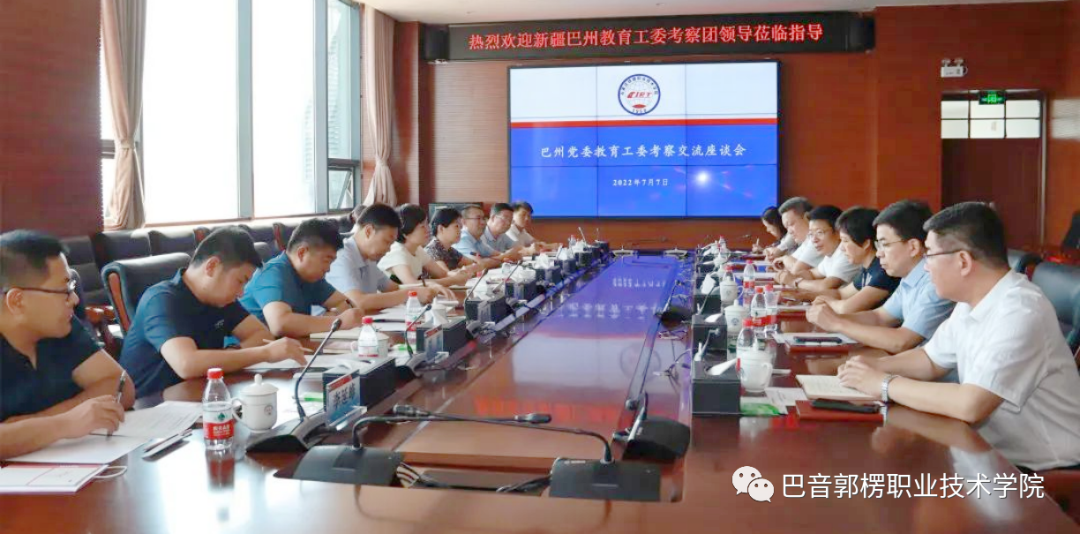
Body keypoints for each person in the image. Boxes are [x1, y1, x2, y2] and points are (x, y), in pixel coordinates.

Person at [839, 202, 1080, 471]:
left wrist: (884, 383)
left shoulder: (1020, 311)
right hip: (984, 451)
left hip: (1036, 467)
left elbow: (970, 405)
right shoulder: (971, 300)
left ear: (963, 261)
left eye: (930, 255)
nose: (926, 268)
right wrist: (872, 367)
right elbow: (930, 360)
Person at [120, 227, 307, 397]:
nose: (241, 293)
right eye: (240, 281)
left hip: (200, 395)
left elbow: (261, 335)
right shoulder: (161, 299)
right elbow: (187, 364)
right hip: (151, 405)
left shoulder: (221, 300)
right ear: (211, 267)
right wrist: (265, 353)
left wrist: (229, 354)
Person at [0, 230, 134, 459]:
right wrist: (63, 424)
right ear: (18, 301)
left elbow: (120, 385)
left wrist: (29, 428)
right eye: (64, 291)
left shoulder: (61, 327)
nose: (75, 299)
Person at [807, 200, 954, 354]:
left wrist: (838, 323)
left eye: (885, 245)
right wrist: (832, 318)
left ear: (913, 247)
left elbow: (902, 341)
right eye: (879, 245)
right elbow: (879, 317)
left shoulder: (934, 281)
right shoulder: (908, 276)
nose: (879, 253)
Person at [240, 218, 366, 338]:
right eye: (326, 260)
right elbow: (280, 324)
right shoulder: (272, 274)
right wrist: (338, 321)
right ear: (302, 253)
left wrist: (332, 316)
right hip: (246, 350)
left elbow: (346, 304)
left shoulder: (311, 277)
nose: (328, 269)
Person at [327, 203, 451, 311]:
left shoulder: (368, 257)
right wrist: (412, 293)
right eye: (386, 242)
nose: (388, 250)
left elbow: (393, 288)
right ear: (368, 231)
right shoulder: (341, 256)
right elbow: (358, 301)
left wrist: (427, 287)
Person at [809, 207, 900, 314]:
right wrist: (802, 295)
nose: (841, 248)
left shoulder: (883, 270)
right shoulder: (867, 267)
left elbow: (846, 308)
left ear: (865, 243)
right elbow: (841, 294)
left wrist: (826, 301)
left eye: (845, 241)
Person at [378, 203, 478, 286]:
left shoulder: (418, 249)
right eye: (422, 227)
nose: (428, 229)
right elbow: (412, 284)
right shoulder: (396, 252)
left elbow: (442, 274)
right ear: (405, 232)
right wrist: (453, 280)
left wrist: (459, 274)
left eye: (427, 224)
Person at [776, 205, 861, 291]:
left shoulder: (846, 253)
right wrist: (788, 276)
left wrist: (794, 281)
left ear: (838, 232)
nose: (814, 240)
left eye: (819, 232)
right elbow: (812, 274)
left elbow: (825, 286)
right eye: (811, 234)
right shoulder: (830, 254)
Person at [453, 205, 518, 267]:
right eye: (478, 218)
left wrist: (505, 256)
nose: (483, 222)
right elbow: (479, 264)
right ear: (464, 222)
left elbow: (497, 254)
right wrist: (505, 256)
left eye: (483, 218)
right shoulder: (462, 239)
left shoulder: (477, 240)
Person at [771, 197, 822, 274]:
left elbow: (796, 270)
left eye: (791, 224)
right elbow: (789, 262)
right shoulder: (807, 241)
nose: (789, 231)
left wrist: (784, 258)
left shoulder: (817, 240)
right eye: (787, 227)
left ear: (807, 218)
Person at [425, 207, 482, 272]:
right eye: (456, 226)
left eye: (460, 227)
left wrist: (471, 266)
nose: (460, 231)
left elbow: (475, 264)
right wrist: (466, 269)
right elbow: (447, 275)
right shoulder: (432, 250)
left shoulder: (450, 250)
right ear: (441, 228)